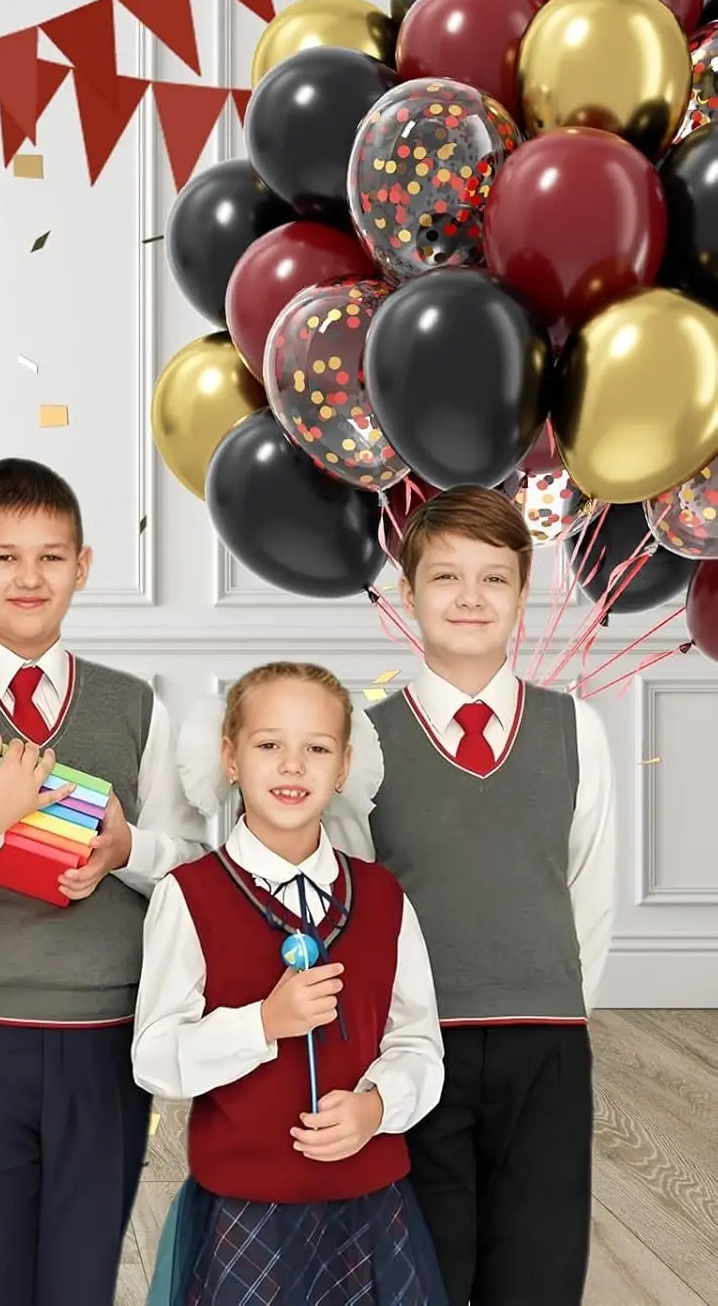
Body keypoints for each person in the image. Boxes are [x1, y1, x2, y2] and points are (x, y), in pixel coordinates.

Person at [0, 457, 211, 1305]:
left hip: (106, 1033)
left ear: (84, 567)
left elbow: (197, 867)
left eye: (52, 557)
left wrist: (127, 848)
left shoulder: (138, 707)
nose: (29, 577)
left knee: (80, 1266)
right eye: (4, 556)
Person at [323, 484, 616, 1306]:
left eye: (494, 578)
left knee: (540, 1263)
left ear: (524, 595)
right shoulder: (366, 742)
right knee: (424, 1265)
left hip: (545, 1042)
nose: (470, 597)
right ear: (410, 594)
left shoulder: (575, 729)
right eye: (446, 577)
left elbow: (588, 889)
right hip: (419, 1046)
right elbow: (351, 903)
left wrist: (558, 1000)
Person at [137, 661, 447, 1306]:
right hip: (247, 1205)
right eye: (269, 744)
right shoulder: (189, 896)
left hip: (370, 1199)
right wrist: (261, 1023)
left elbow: (418, 1042)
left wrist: (377, 1108)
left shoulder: (384, 898)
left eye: (317, 748)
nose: (292, 765)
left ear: (341, 769)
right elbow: (155, 1060)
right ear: (230, 758)